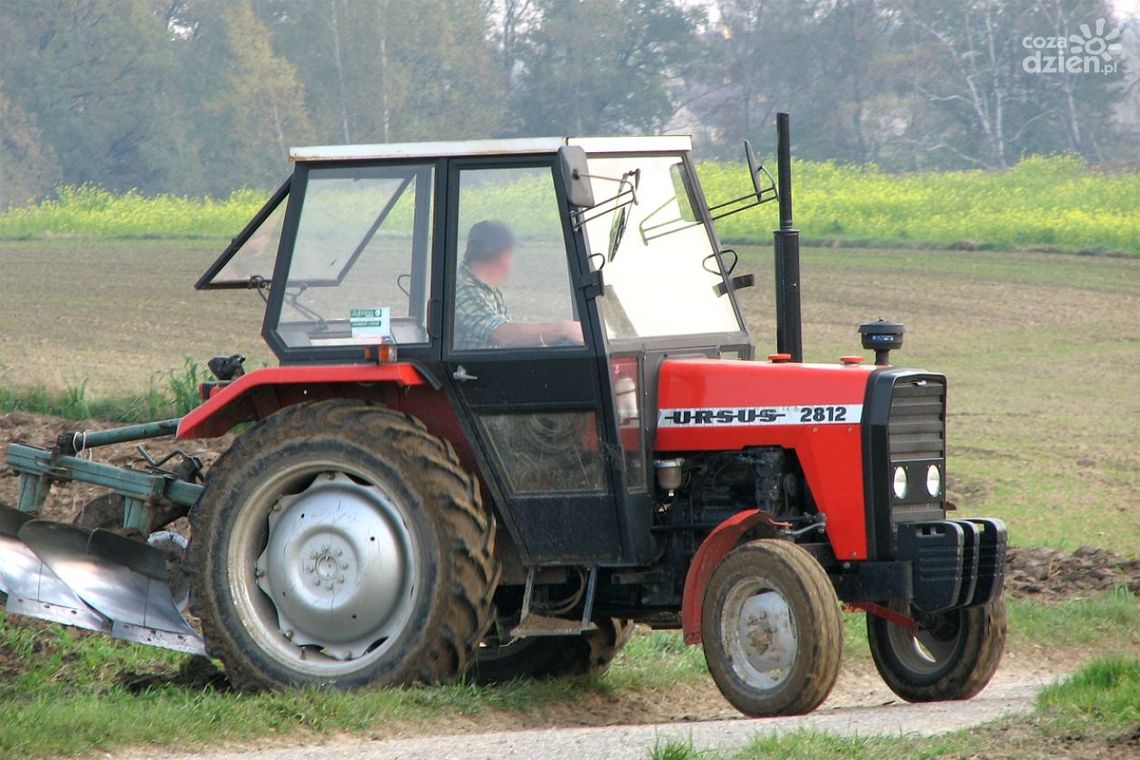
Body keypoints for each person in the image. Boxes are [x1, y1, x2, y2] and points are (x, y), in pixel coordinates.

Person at [453, 220, 584, 350]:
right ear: (498, 256)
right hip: (474, 370)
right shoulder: (462, 290)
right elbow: (503, 335)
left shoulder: (486, 287)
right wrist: (564, 329)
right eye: (509, 254)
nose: (511, 262)